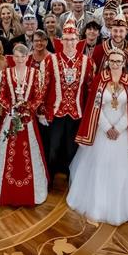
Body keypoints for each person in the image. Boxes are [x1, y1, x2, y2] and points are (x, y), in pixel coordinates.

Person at [68, 47, 128, 224]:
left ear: (124, 62)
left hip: (123, 131)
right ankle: (99, 205)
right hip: (102, 129)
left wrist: (118, 128)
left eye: (119, 61)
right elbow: (95, 106)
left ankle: (126, 206)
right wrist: (106, 127)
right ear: (107, 62)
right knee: (100, 168)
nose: (115, 64)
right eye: (112, 61)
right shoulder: (100, 80)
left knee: (123, 170)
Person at [0, 44, 49, 206]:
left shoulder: (35, 73)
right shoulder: (6, 73)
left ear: (27, 58)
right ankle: (0, 190)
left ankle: (30, 192)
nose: (19, 60)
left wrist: (27, 108)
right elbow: (1, 95)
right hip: (9, 118)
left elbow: (38, 96)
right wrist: (11, 108)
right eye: (16, 57)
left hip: (27, 120)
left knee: (27, 152)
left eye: (22, 57)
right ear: (12, 57)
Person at [47, 16, 94, 183]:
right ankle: (50, 178)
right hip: (56, 112)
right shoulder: (50, 59)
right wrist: (42, 111)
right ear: (61, 41)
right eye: (66, 39)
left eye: (72, 39)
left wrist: (88, 114)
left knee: (72, 149)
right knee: (53, 148)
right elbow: (44, 86)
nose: (69, 43)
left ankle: (71, 180)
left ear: (78, 41)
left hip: (77, 113)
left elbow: (90, 90)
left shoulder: (87, 62)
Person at [91, 5, 128, 70]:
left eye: (121, 31)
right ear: (111, 31)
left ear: (126, 32)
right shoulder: (99, 50)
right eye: (115, 30)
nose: (118, 34)